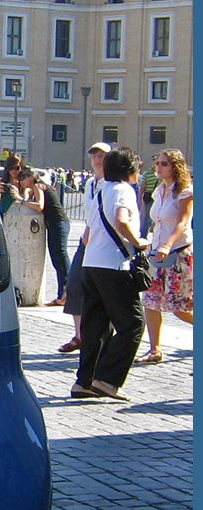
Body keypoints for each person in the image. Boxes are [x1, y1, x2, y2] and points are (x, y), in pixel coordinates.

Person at [71, 147, 149, 400]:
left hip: (91, 263)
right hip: (114, 265)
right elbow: (121, 219)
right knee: (133, 324)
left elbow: (88, 233)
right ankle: (107, 379)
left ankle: (84, 382)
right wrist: (138, 242)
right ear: (130, 169)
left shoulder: (99, 190)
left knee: (95, 326)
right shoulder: (125, 190)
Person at [136, 148, 193, 363]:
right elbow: (155, 220)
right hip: (156, 253)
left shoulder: (185, 191)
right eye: (157, 163)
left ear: (175, 167)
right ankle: (155, 349)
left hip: (177, 252)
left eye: (164, 164)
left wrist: (168, 245)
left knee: (179, 307)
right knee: (150, 301)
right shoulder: (159, 190)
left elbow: (182, 222)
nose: (158, 167)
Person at [59, 141, 111, 353]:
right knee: (74, 284)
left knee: (105, 291)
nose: (97, 158)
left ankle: (106, 337)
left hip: (106, 243)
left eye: (102, 155)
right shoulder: (90, 183)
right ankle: (80, 335)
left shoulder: (113, 183)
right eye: (94, 155)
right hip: (87, 239)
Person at [21, 168, 71, 306]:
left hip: (58, 223)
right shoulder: (39, 186)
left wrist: (21, 201)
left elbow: (39, 206)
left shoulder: (38, 185)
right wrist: (25, 194)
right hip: (55, 224)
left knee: (61, 257)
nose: (21, 181)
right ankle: (62, 295)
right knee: (57, 260)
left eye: (24, 177)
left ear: (31, 176)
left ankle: (68, 293)